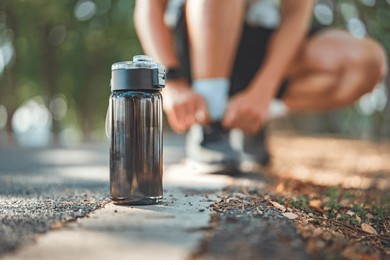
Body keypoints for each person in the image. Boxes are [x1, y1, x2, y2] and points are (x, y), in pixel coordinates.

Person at [134, 0, 388, 174]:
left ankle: (249, 118)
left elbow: (297, 12)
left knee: (365, 64)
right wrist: (171, 81)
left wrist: (263, 92)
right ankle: (211, 123)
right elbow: (148, 7)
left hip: (264, 40)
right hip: (195, 39)